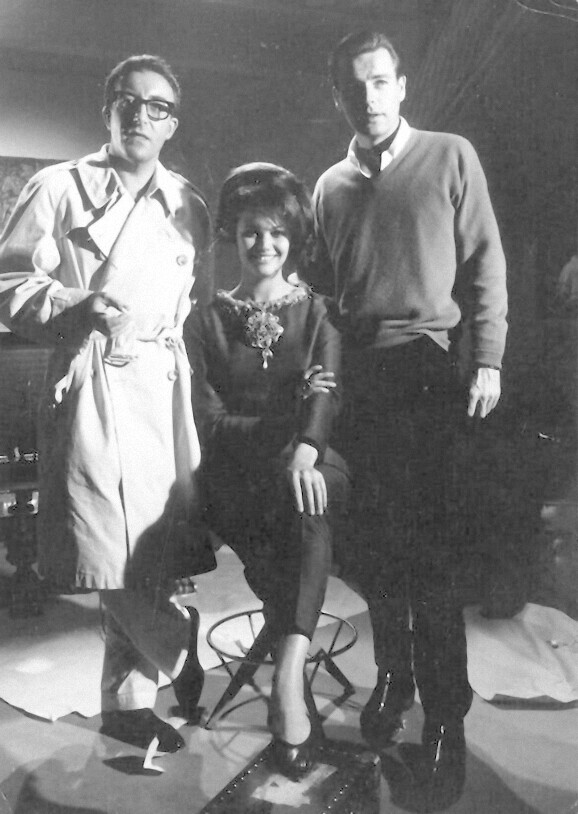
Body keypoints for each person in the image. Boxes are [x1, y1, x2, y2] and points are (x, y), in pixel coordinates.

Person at [311, 31, 508, 809]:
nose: (370, 97)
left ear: (401, 86)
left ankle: (446, 719)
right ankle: (393, 677)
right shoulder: (328, 186)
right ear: (340, 96)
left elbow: (485, 261)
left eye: (381, 81)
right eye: (355, 85)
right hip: (358, 384)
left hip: (429, 376)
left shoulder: (451, 156)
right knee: (374, 555)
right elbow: (324, 297)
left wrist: (487, 357)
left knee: (432, 561)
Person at [0, 55, 211, 753]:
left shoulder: (187, 202)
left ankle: (127, 706)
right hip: (90, 381)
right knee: (104, 548)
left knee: (147, 551)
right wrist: (73, 304)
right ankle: (176, 642)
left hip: (162, 386)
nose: (140, 116)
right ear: (108, 111)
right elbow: (7, 282)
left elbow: (190, 303)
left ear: (172, 123)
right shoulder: (58, 187)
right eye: (128, 101)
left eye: (157, 106)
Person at [185, 163, 350, 779]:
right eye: (252, 231)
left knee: (308, 496)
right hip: (236, 477)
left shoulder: (319, 312)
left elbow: (326, 395)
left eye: (278, 232)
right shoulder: (204, 321)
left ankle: (286, 681)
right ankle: (292, 665)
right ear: (233, 233)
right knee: (294, 509)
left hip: (312, 462)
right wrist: (287, 424)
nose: (265, 244)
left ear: (294, 237)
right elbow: (210, 423)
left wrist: (305, 445)